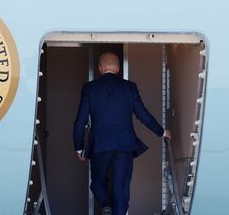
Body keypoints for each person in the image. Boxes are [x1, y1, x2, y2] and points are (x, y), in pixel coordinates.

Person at [73, 52, 172, 215]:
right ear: (118, 69)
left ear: (100, 68)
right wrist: (162, 132)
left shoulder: (89, 88)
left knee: (97, 181)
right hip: (125, 145)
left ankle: (106, 203)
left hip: (100, 144)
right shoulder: (130, 87)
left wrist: (79, 148)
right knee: (121, 189)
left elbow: (80, 121)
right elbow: (143, 115)